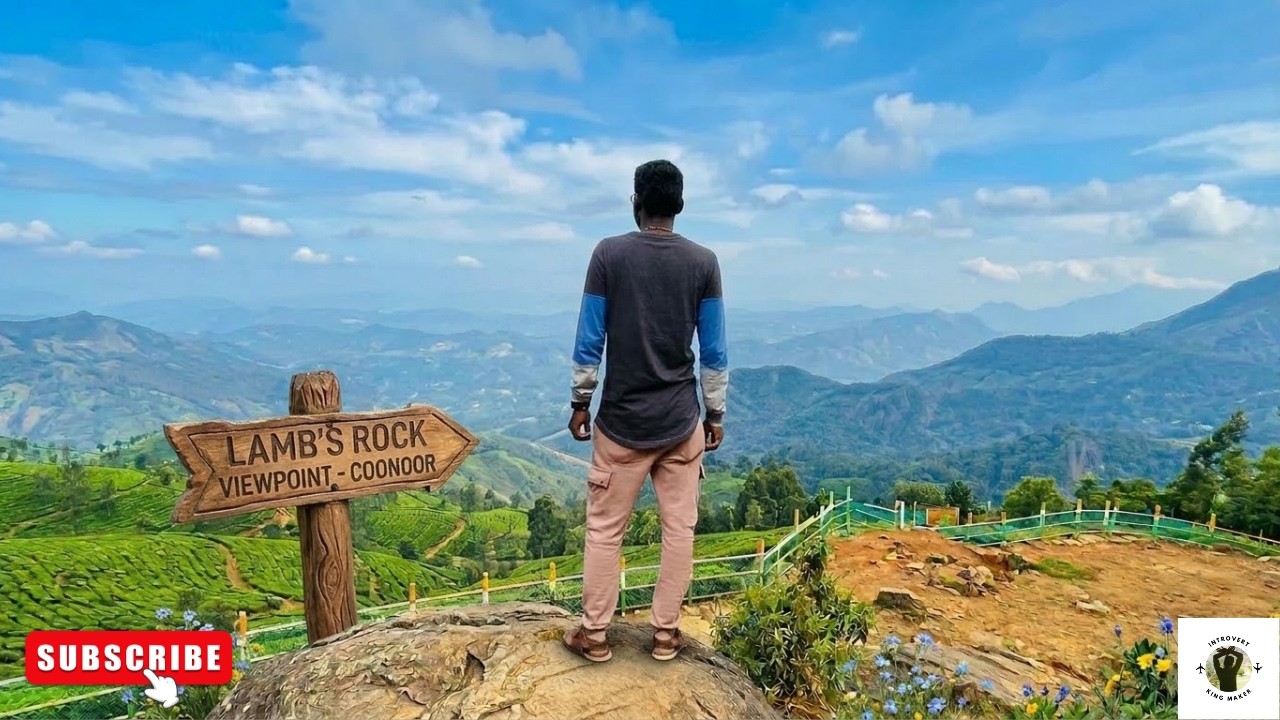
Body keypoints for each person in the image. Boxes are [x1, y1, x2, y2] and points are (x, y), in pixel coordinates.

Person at [560, 159, 728, 663]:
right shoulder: (704, 262)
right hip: (681, 423)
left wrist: (580, 401)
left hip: (622, 424)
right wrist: (714, 414)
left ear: (636, 202)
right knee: (679, 530)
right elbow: (714, 351)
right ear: (679, 205)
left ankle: (594, 635)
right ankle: (666, 635)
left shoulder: (608, 255)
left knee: (605, 530)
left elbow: (589, 339)